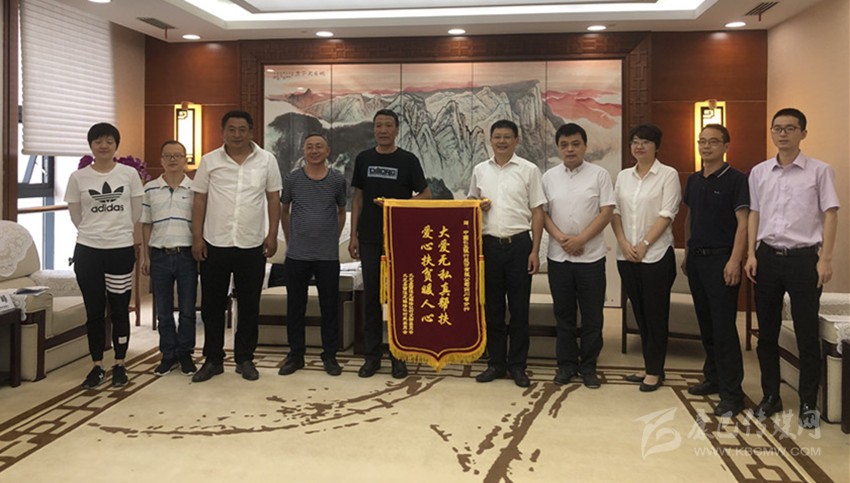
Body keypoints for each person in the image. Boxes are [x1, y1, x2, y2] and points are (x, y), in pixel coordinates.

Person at [744, 108, 839, 429]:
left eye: (790, 128)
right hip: (767, 257)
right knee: (767, 333)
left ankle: (809, 402)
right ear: (771, 132)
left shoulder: (820, 171)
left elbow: (830, 214)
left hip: (804, 260)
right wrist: (751, 254)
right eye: (777, 128)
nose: (783, 134)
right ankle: (771, 395)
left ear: (803, 133)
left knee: (806, 333)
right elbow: (754, 214)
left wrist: (825, 258)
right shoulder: (759, 172)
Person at [191, 110, 282, 382]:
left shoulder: (267, 160)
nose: (237, 134)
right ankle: (213, 360)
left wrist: (272, 234)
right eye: (231, 129)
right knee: (212, 305)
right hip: (215, 242)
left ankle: (245, 359)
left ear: (251, 132)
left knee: (250, 305)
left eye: (242, 129)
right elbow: (199, 200)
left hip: (251, 243)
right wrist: (197, 238)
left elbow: (273, 199)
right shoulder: (209, 161)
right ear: (223, 132)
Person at [348, 109, 432, 379]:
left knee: (400, 298)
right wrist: (353, 235)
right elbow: (358, 198)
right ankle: (371, 357)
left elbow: (426, 195)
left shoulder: (408, 160)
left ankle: (399, 356)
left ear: (397, 130)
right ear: (373, 129)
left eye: (388, 125)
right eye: (378, 125)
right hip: (370, 237)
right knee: (372, 297)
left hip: (401, 238)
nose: (383, 130)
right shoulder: (364, 159)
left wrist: (398, 204)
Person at [468, 119, 545, 388]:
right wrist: (478, 204)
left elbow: (538, 211)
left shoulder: (529, 170)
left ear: (516, 140)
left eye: (507, 137)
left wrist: (535, 250)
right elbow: (470, 203)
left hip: (520, 245)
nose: (502, 141)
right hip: (489, 245)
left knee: (519, 309)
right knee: (493, 308)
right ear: (490, 140)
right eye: (497, 137)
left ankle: (518, 366)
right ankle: (496, 363)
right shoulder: (480, 170)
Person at [65, 122, 143, 389]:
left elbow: (135, 212)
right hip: (88, 251)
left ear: (116, 145)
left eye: (109, 141)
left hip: (120, 250)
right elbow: (76, 215)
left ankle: (120, 363)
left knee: (120, 309)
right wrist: (95, 232)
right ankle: (97, 365)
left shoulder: (129, 174)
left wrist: (115, 232)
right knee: (94, 310)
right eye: (98, 141)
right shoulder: (78, 178)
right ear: (91, 145)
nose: (104, 146)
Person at [681, 124, 748, 417]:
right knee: (706, 325)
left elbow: (743, 224)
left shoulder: (736, 180)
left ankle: (733, 394)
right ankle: (713, 378)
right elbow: (689, 217)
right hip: (697, 259)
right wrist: (687, 251)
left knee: (723, 328)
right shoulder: (694, 180)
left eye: (713, 142)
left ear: (726, 146)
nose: (706, 146)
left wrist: (735, 260)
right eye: (702, 141)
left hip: (722, 260)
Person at [542, 123, 614, 389]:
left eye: (575, 144)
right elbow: (543, 214)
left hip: (591, 257)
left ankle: (589, 366)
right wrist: (563, 239)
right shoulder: (549, 177)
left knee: (592, 316)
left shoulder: (599, 175)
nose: (570, 149)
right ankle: (566, 365)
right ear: (558, 148)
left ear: (585, 146)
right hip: (559, 257)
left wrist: (581, 240)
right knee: (564, 315)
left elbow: (606, 212)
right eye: (564, 145)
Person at [611, 123, 681, 392]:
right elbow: (615, 212)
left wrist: (644, 244)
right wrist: (623, 243)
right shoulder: (623, 176)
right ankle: (648, 365)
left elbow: (667, 214)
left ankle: (655, 370)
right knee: (638, 312)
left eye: (645, 141)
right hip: (626, 254)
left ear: (656, 146)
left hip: (656, 255)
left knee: (656, 313)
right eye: (635, 141)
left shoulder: (668, 174)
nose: (639, 146)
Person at [278, 133, 347, 377]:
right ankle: (296, 355)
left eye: (319, 147)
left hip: (327, 256)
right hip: (297, 255)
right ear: (303, 151)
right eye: (309, 147)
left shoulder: (337, 180)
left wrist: (332, 238)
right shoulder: (292, 179)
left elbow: (341, 211)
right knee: (295, 307)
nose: (314, 151)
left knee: (329, 307)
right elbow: (284, 211)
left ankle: (330, 356)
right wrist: (290, 239)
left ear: (327, 151)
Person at [140, 140, 198, 377]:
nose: (173, 159)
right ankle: (168, 354)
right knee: (163, 310)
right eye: (168, 156)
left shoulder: (195, 189)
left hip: (186, 255)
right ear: (161, 160)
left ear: (186, 160)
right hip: (160, 255)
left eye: (178, 155)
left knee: (187, 310)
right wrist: (145, 256)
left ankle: (185, 353)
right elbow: (146, 224)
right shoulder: (150, 189)